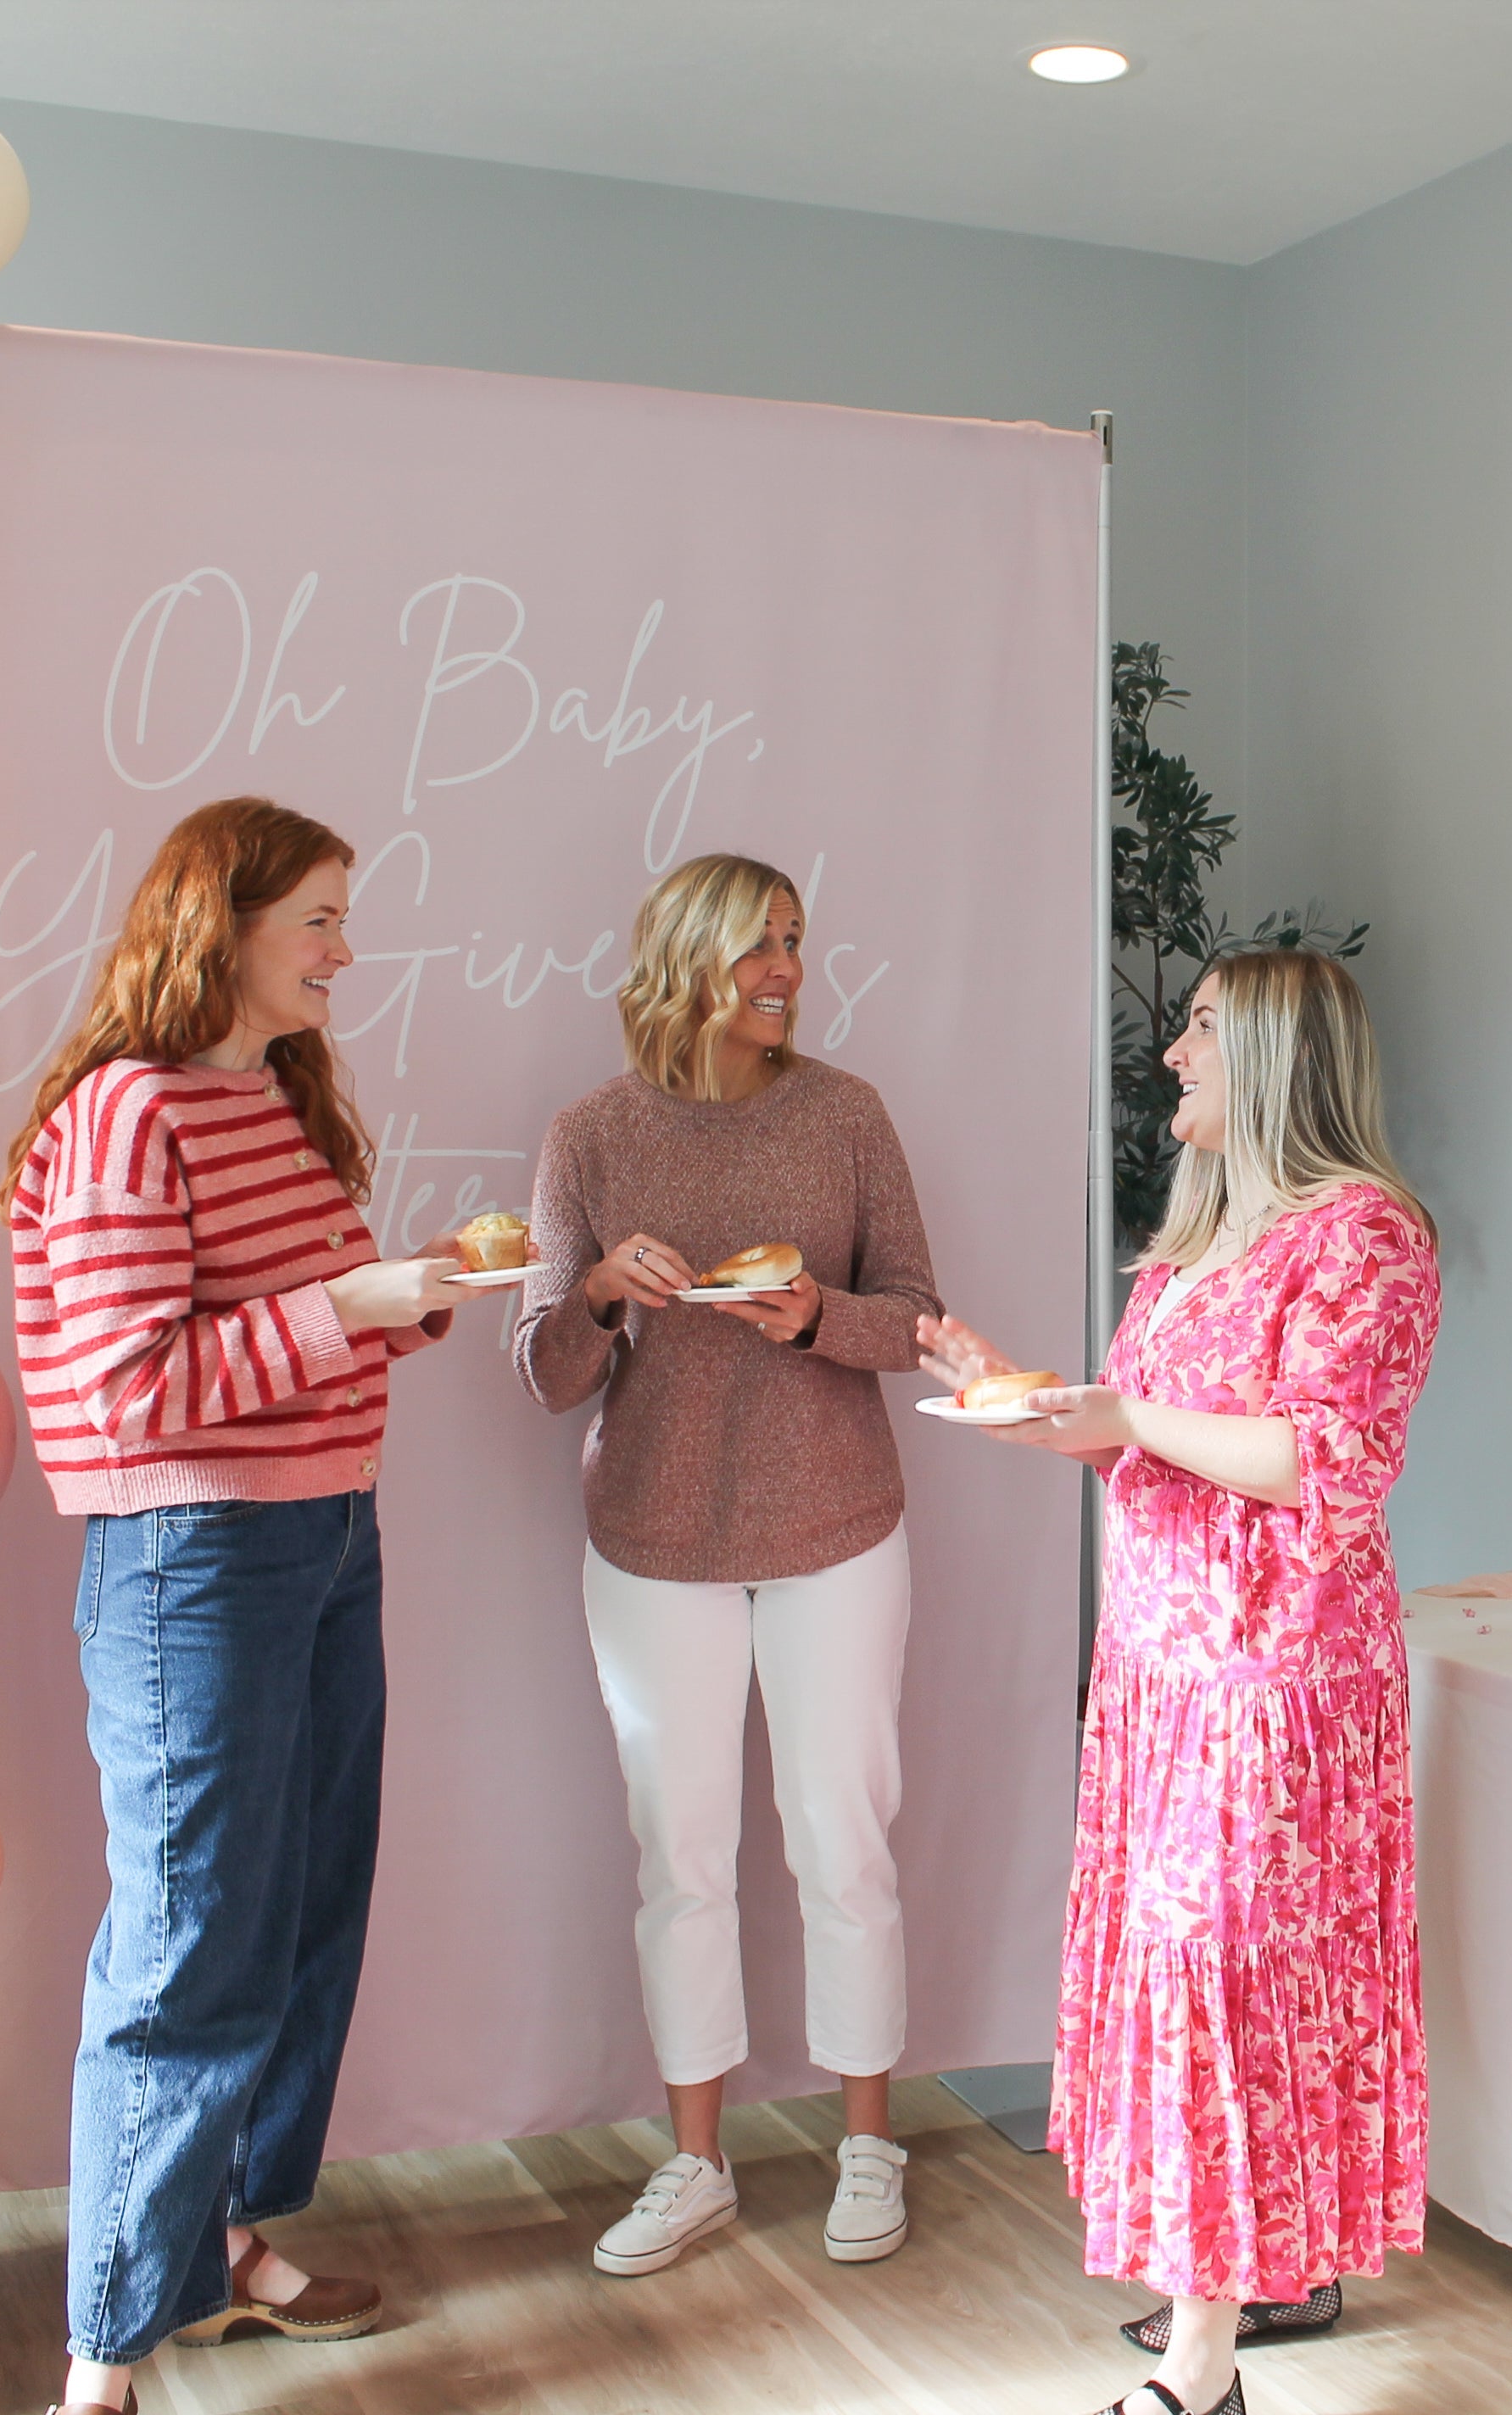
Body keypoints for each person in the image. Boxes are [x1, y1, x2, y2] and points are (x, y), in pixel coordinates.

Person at [0, 798, 496, 2415]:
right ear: (226, 922)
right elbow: (130, 1391)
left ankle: (217, 2246)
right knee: (186, 1941)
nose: (347, 953)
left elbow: (293, 1331)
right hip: (192, 1563)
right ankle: (106, 2344)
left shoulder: (264, 1098)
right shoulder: (127, 1115)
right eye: (324, 922)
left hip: (325, 1538)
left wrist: (403, 1302)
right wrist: (348, 1300)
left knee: (296, 1911)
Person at [920, 946, 1439, 2415]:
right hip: (1161, 1680)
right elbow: (1150, 1442)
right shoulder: (1193, 1243)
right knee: (1182, 1984)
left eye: (1203, 1028)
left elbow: (1321, 1464)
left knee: (1228, 1984)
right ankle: (1234, 2290)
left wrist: (1123, 1412)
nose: (1173, 1056)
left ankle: (1203, 2366)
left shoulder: (1366, 1237)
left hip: (1275, 1687)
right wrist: (1034, 1397)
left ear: (1274, 1052)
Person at [514, 852, 943, 2278]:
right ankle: (695, 2162)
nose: (786, 971)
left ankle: (865, 2139)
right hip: (652, 1544)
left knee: (841, 1839)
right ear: (688, 953)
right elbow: (545, 1377)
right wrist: (588, 1295)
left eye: (797, 944)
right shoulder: (589, 1138)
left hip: (835, 1530)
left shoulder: (847, 1117)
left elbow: (921, 1320)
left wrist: (821, 1312)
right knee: (681, 1858)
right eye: (761, 943)